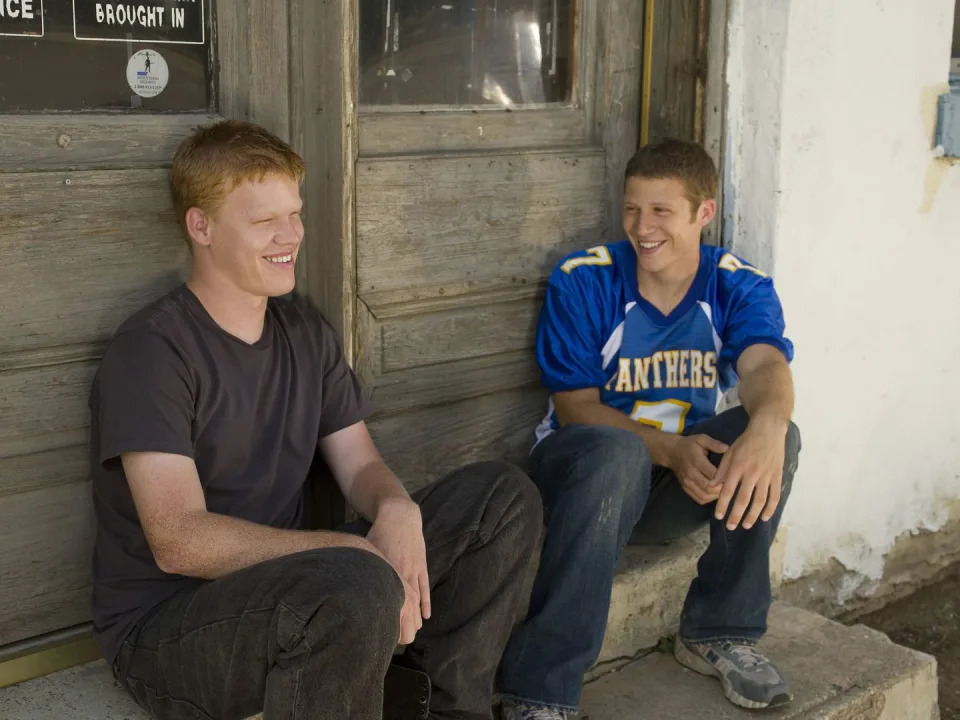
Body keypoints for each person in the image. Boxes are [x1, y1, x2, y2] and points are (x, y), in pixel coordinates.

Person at [89, 119, 542, 720]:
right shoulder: (152, 351)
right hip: (172, 627)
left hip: (304, 586)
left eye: (295, 213)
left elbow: (360, 462)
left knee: (503, 500)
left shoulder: (301, 327)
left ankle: (446, 710)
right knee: (355, 583)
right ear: (201, 226)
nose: (292, 235)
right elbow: (180, 541)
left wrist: (395, 508)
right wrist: (346, 551)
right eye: (264, 221)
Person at [498, 139, 801, 719]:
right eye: (633, 209)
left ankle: (719, 632)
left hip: (671, 491)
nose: (643, 227)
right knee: (616, 453)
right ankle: (540, 690)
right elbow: (574, 408)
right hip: (580, 484)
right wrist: (670, 448)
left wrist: (769, 425)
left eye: (661, 211)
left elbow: (765, 364)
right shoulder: (585, 279)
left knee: (777, 435)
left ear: (702, 213)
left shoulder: (735, 284)